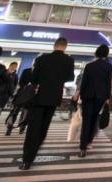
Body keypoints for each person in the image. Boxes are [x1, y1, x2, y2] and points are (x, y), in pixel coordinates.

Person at [20, 37, 75, 171]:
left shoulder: (42, 59)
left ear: (54, 45)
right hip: (54, 97)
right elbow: (70, 77)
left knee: (33, 127)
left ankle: (27, 159)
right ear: (65, 47)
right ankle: (36, 147)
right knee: (44, 127)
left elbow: (33, 78)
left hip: (39, 96)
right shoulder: (69, 60)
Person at [75, 44, 112, 157]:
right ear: (106, 54)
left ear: (96, 53)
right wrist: (107, 98)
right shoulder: (108, 67)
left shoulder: (89, 66)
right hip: (100, 97)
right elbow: (108, 83)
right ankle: (89, 142)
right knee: (94, 120)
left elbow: (84, 82)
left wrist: (80, 95)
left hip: (88, 96)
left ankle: (82, 148)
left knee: (86, 122)